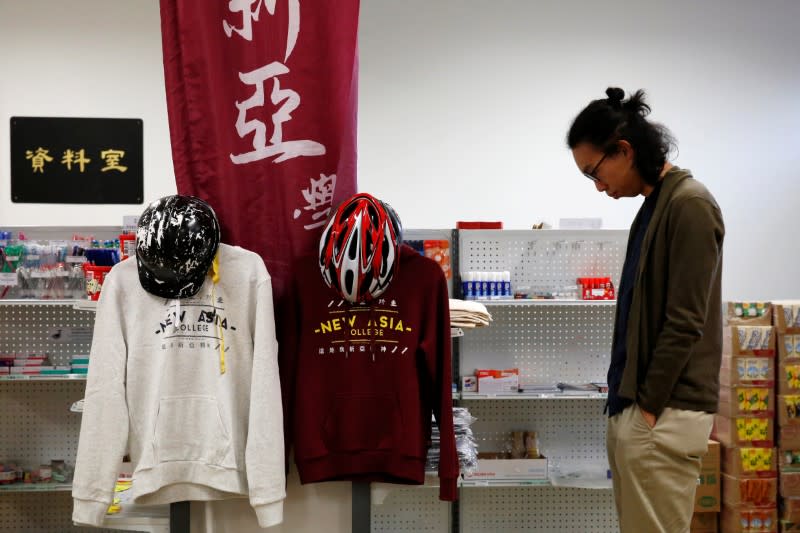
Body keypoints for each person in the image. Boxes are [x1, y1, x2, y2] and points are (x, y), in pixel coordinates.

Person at [567, 87, 725, 533]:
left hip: (664, 411)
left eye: (595, 172)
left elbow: (686, 319)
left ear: (624, 151)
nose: (599, 187)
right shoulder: (656, 206)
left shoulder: (688, 204)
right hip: (640, 408)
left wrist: (650, 407)